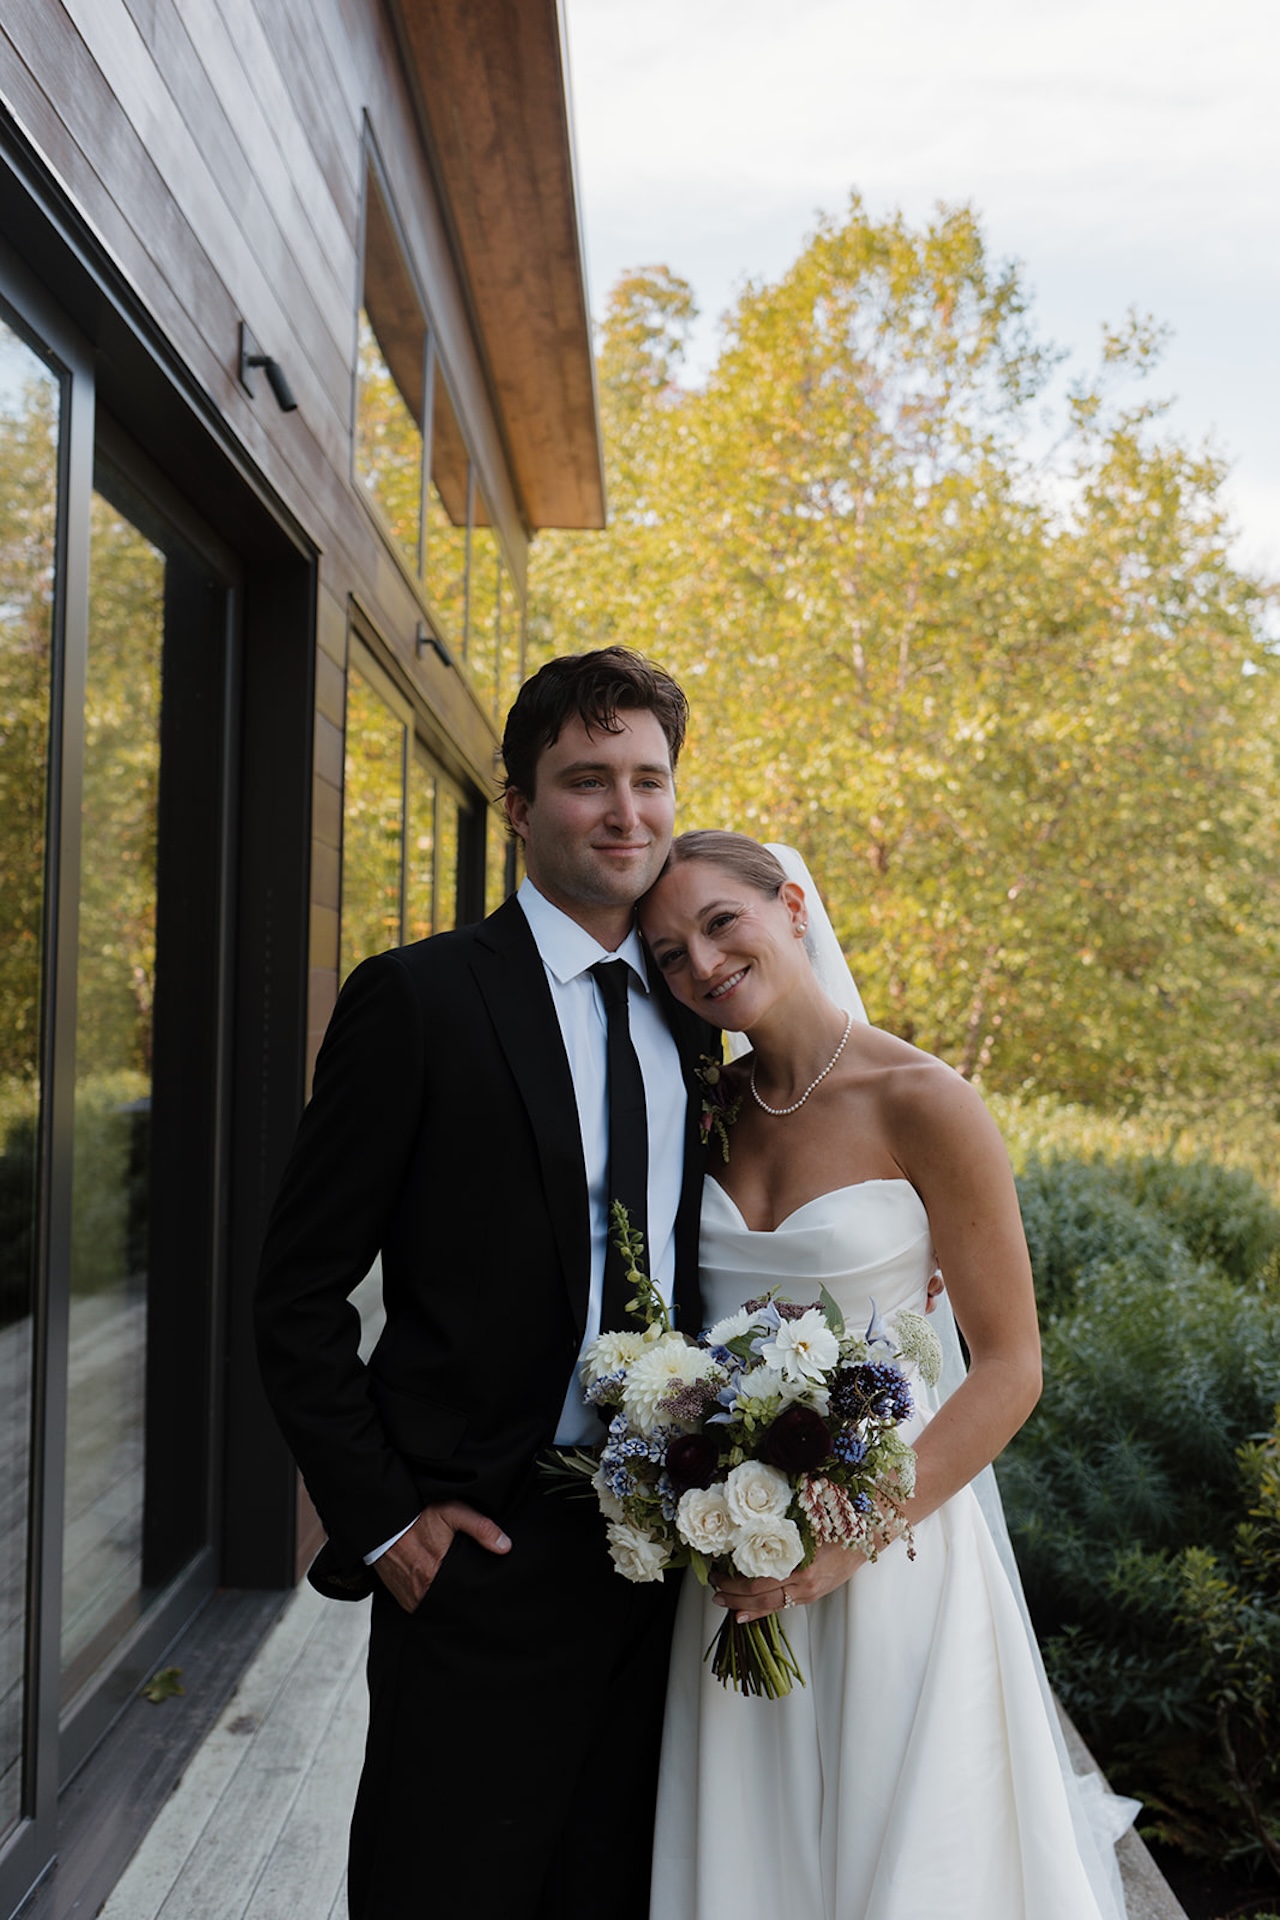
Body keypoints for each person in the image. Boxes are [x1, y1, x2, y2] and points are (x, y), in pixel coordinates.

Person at [254, 648, 717, 1920]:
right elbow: (294, 1293)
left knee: (617, 1891)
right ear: (517, 806)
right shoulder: (416, 1001)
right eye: (584, 782)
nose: (624, 812)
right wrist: (390, 1527)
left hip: (666, 1556)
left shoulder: (696, 1013)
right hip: (477, 1549)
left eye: (647, 779)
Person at [636, 831, 1134, 1920]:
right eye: (669, 953)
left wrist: (839, 1543)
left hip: (894, 1541)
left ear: (793, 905)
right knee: (752, 1860)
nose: (703, 964)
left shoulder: (922, 1098)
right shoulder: (698, 1115)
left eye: (722, 921)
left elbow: (1008, 1368)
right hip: (736, 1550)